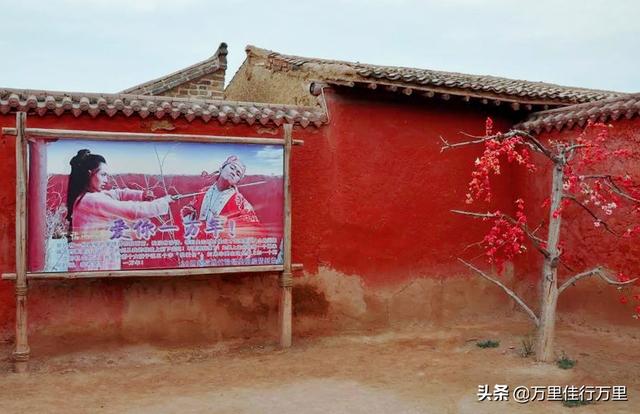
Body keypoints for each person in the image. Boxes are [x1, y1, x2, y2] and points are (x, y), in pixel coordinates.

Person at [65, 149, 173, 270]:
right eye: (103, 175)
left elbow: (117, 193)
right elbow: (132, 211)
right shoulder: (91, 200)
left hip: (93, 263)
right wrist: (164, 202)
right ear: (90, 174)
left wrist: (141, 195)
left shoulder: (86, 197)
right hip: (94, 266)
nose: (106, 180)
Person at [179, 155, 261, 237]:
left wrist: (228, 222)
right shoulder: (204, 191)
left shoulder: (239, 201)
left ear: (237, 181)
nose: (233, 173)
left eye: (238, 174)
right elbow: (189, 209)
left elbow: (253, 225)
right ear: (221, 169)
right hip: (198, 243)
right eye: (232, 168)